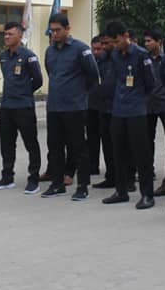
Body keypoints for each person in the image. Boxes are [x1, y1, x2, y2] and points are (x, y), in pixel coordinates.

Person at [43, 14, 100, 199]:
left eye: (58, 30)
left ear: (68, 29)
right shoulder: (50, 51)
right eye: (52, 30)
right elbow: (50, 73)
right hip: (54, 106)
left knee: (78, 147)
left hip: (74, 107)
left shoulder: (81, 50)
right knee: (55, 146)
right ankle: (57, 183)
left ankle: (82, 185)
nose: (55, 34)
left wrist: (81, 95)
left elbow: (93, 75)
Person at [101, 21, 155, 209]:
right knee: (118, 152)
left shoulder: (141, 55)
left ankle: (147, 194)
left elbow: (151, 84)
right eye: (111, 43)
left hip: (137, 111)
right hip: (118, 110)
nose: (114, 46)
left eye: (116, 41)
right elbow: (114, 80)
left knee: (141, 154)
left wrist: (140, 103)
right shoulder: (115, 55)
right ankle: (121, 190)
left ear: (126, 36)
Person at [0, 22, 43, 193]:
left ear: (20, 36)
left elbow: (38, 80)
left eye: (10, 34)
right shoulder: (3, 57)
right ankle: (7, 177)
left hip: (23, 107)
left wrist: (24, 93)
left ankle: (33, 179)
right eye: (5, 34)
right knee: (6, 144)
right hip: (6, 106)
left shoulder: (29, 56)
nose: (6, 37)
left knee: (30, 144)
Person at [144, 28, 165, 197]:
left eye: (150, 41)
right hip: (148, 104)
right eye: (145, 41)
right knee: (147, 141)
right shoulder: (144, 59)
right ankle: (148, 172)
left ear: (159, 42)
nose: (147, 44)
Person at [92, 34, 118, 190]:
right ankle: (111, 177)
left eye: (105, 44)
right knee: (107, 144)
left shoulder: (119, 58)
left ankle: (127, 179)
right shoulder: (101, 59)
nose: (103, 47)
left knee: (121, 145)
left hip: (119, 108)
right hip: (103, 107)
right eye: (101, 44)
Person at [85, 36, 105, 177]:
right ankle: (93, 165)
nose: (96, 52)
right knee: (92, 137)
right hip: (90, 104)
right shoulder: (89, 63)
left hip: (105, 106)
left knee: (107, 137)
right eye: (94, 49)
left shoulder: (109, 62)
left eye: (99, 49)